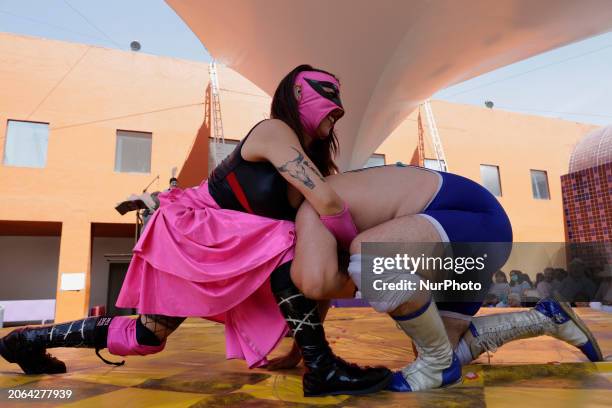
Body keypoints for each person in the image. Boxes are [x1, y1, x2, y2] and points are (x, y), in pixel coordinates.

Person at [0, 65, 392, 397]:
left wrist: (299, 350)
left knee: (146, 337)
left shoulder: (314, 165)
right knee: (285, 241)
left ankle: (27, 340)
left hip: (231, 241)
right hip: (194, 230)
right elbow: (329, 206)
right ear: (297, 94)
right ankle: (324, 370)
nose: (337, 107)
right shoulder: (274, 131)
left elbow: (314, 265)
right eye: (327, 94)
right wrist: (360, 249)